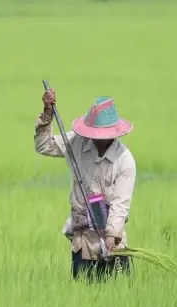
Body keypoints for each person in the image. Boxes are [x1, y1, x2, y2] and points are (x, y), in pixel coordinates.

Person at [34, 87, 137, 282]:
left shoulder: (124, 160)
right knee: (84, 292)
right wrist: (47, 113)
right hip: (83, 238)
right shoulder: (77, 142)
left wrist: (111, 236)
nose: (97, 138)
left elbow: (120, 204)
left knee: (120, 292)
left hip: (112, 239)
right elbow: (44, 145)